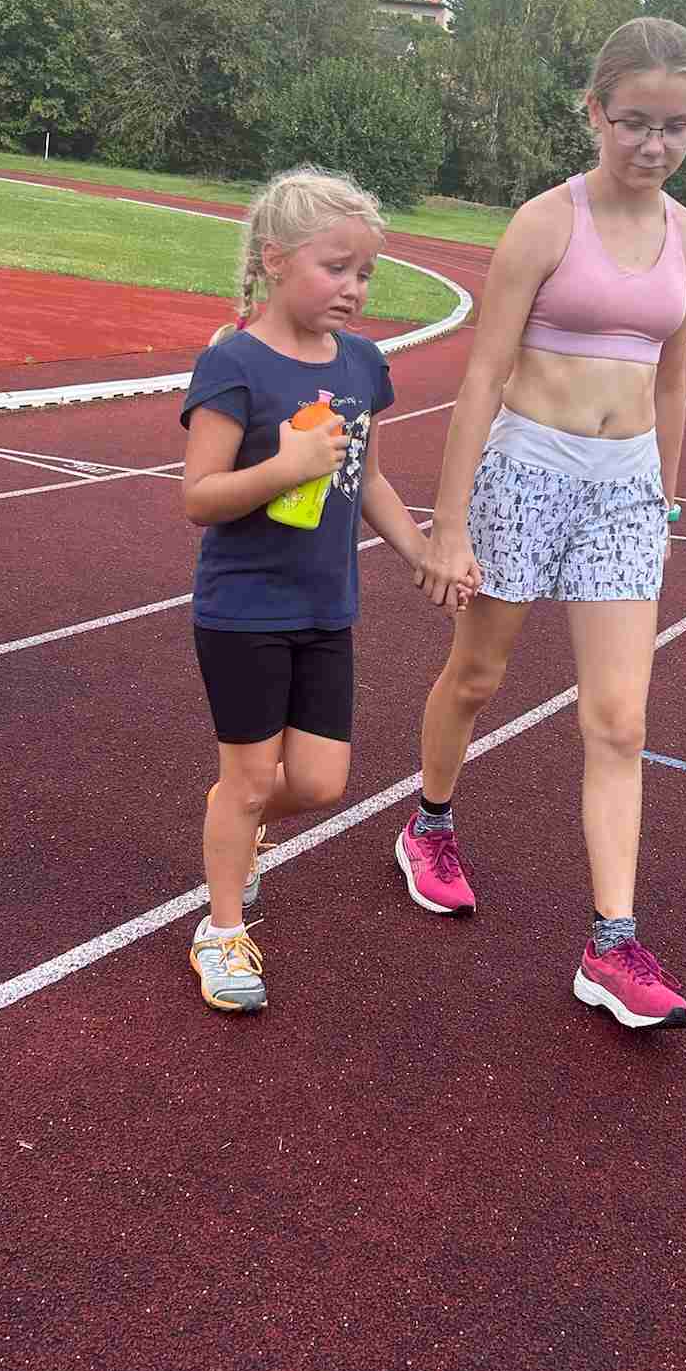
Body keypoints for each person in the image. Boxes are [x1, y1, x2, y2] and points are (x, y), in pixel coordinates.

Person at [395, 17, 686, 1031]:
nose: (652, 144)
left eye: (675, 127)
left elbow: (671, 375)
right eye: (634, 122)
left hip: (626, 490)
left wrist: (665, 499)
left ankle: (611, 944)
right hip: (527, 471)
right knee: (477, 676)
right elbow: (483, 373)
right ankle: (429, 824)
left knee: (620, 721)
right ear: (594, 112)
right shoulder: (545, 223)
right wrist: (450, 524)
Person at [180, 168, 472, 1013]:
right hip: (243, 610)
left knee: (319, 783)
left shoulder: (363, 364)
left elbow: (368, 478)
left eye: (365, 273)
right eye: (335, 267)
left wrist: (422, 551)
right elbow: (199, 497)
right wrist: (285, 467)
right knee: (246, 779)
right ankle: (221, 931)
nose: (354, 288)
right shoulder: (232, 364)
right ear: (275, 261)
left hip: (325, 609)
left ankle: (234, 820)